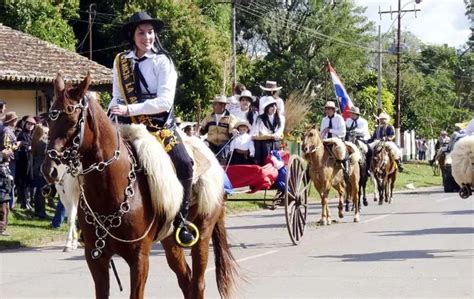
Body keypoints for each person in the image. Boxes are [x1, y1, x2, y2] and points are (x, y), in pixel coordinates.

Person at [108, 11, 196, 246]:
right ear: (132, 35)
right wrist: (113, 112)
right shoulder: (120, 62)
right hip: (130, 125)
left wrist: (128, 110)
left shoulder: (163, 61)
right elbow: (117, 96)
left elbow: (164, 102)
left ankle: (180, 220)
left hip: (159, 126)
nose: (147, 37)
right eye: (141, 32)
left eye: (150, 32)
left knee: (185, 164)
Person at [199, 95, 238, 162]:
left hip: (223, 144)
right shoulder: (209, 117)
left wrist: (234, 131)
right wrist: (199, 128)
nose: (213, 106)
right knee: (203, 145)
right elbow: (202, 131)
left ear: (223, 105)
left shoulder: (231, 118)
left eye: (215, 104)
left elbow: (232, 131)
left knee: (224, 148)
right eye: (213, 104)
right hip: (210, 143)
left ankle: (222, 167)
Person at [251, 97, 285, 166]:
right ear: (267, 108)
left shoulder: (281, 118)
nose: (274, 108)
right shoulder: (260, 119)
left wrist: (273, 136)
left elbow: (279, 132)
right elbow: (255, 133)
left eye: (275, 106)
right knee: (263, 144)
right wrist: (267, 136)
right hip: (263, 144)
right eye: (272, 106)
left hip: (275, 143)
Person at [320, 101, 349, 174]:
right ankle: (309, 171)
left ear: (333, 110)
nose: (327, 111)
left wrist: (330, 130)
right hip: (326, 141)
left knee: (342, 151)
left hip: (336, 140)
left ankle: (346, 168)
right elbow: (322, 132)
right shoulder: (324, 119)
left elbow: (343, 132)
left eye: (329, 109)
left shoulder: (339, 118)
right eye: (326, 109)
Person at [16, 116, 36, 210]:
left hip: (30, 161)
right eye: (29, 124)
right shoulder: (22, 134)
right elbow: (21, 145)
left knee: (28, 182)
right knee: (23, 182)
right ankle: (24, 202)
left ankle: (26, 201)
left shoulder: (31, 135)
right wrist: (29, 147)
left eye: (32, 124)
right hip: (23, 162)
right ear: (25, 124)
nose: (30, 126)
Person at [2, 112, 20, 210]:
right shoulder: (6, 131)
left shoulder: (8, 130)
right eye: (15, 120)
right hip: (9, 160)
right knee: (9, 182)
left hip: (10, 159)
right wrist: (17, 145)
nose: (16, 121)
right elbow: (7, 147)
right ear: (12, 121)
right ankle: (9, 204)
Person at [31, 124, 49, 219]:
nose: (47, 134)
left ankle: (38, 211)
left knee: (39, 192)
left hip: (37, 168)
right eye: (46, 132)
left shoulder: (35, 141)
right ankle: (41, 213)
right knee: (42, 192)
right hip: (42, 170)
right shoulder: (43, 143)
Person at [0, 123, 14, 236]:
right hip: (1, 173)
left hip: (4, 172)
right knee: (2, 205)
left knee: (5, 204)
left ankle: (3, 228)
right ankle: (1, 229)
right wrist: (2, 155)